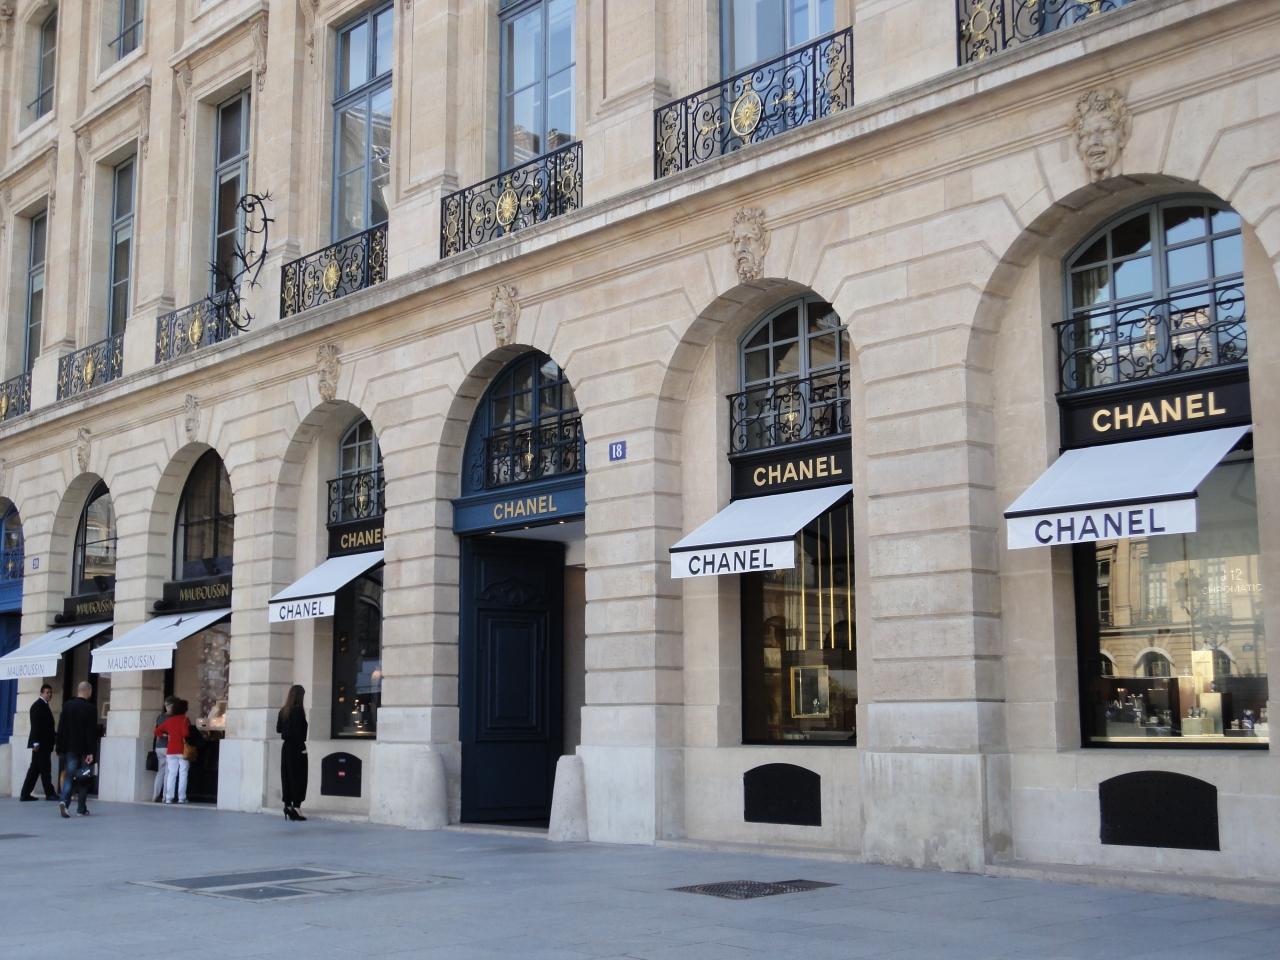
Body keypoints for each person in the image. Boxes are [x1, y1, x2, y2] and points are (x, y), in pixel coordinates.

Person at [55, 681, 98, 818]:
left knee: (69, 776)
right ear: (88, 691)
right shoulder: (91, 708)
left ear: (78, 691)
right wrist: (92, 752)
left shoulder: (67, 706)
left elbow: (61, 728)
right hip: (84, 749)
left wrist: (59, 747)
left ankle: (64, 801)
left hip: (70, 748)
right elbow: (91, 733)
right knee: (84, 777)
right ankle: (81, 808)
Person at [20, 683, 58, 801]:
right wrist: (35, 742)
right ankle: (49, 793)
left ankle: (25, 794)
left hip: (43, 744)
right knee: (45, 769)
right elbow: (36, 726)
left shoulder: (43, 705)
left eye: (50, 692)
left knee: (35, 770)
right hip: (41, 745)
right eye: (47, 692)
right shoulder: (38, 706)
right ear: (41, 693)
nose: (49, 694)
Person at [277, 684, 308, 821]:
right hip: (298, 747)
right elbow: (299, 731)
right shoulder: (299, 711)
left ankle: (287, 805)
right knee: (299, 777)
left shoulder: (283, 711)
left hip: (286, 748)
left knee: (287, 775)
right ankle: (296, 807)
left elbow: (278, 729)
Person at [154, 699, 192, 804]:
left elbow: (157, 731)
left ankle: (169, 797)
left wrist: (166, 735)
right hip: (182, 749)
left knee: (171, 773)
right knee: (183, 773)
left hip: (170, 750)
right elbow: (185, 734)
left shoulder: (169, 720)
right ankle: (181, 797)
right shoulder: (184, 719)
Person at [151, 696, 177, 802]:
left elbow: (156, 731)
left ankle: (155, 795)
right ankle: (165, 797)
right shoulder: (173, 718)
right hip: (168, 747)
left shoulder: (160, 717)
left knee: (160, 772)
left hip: (159, 747)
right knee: (168, 772)